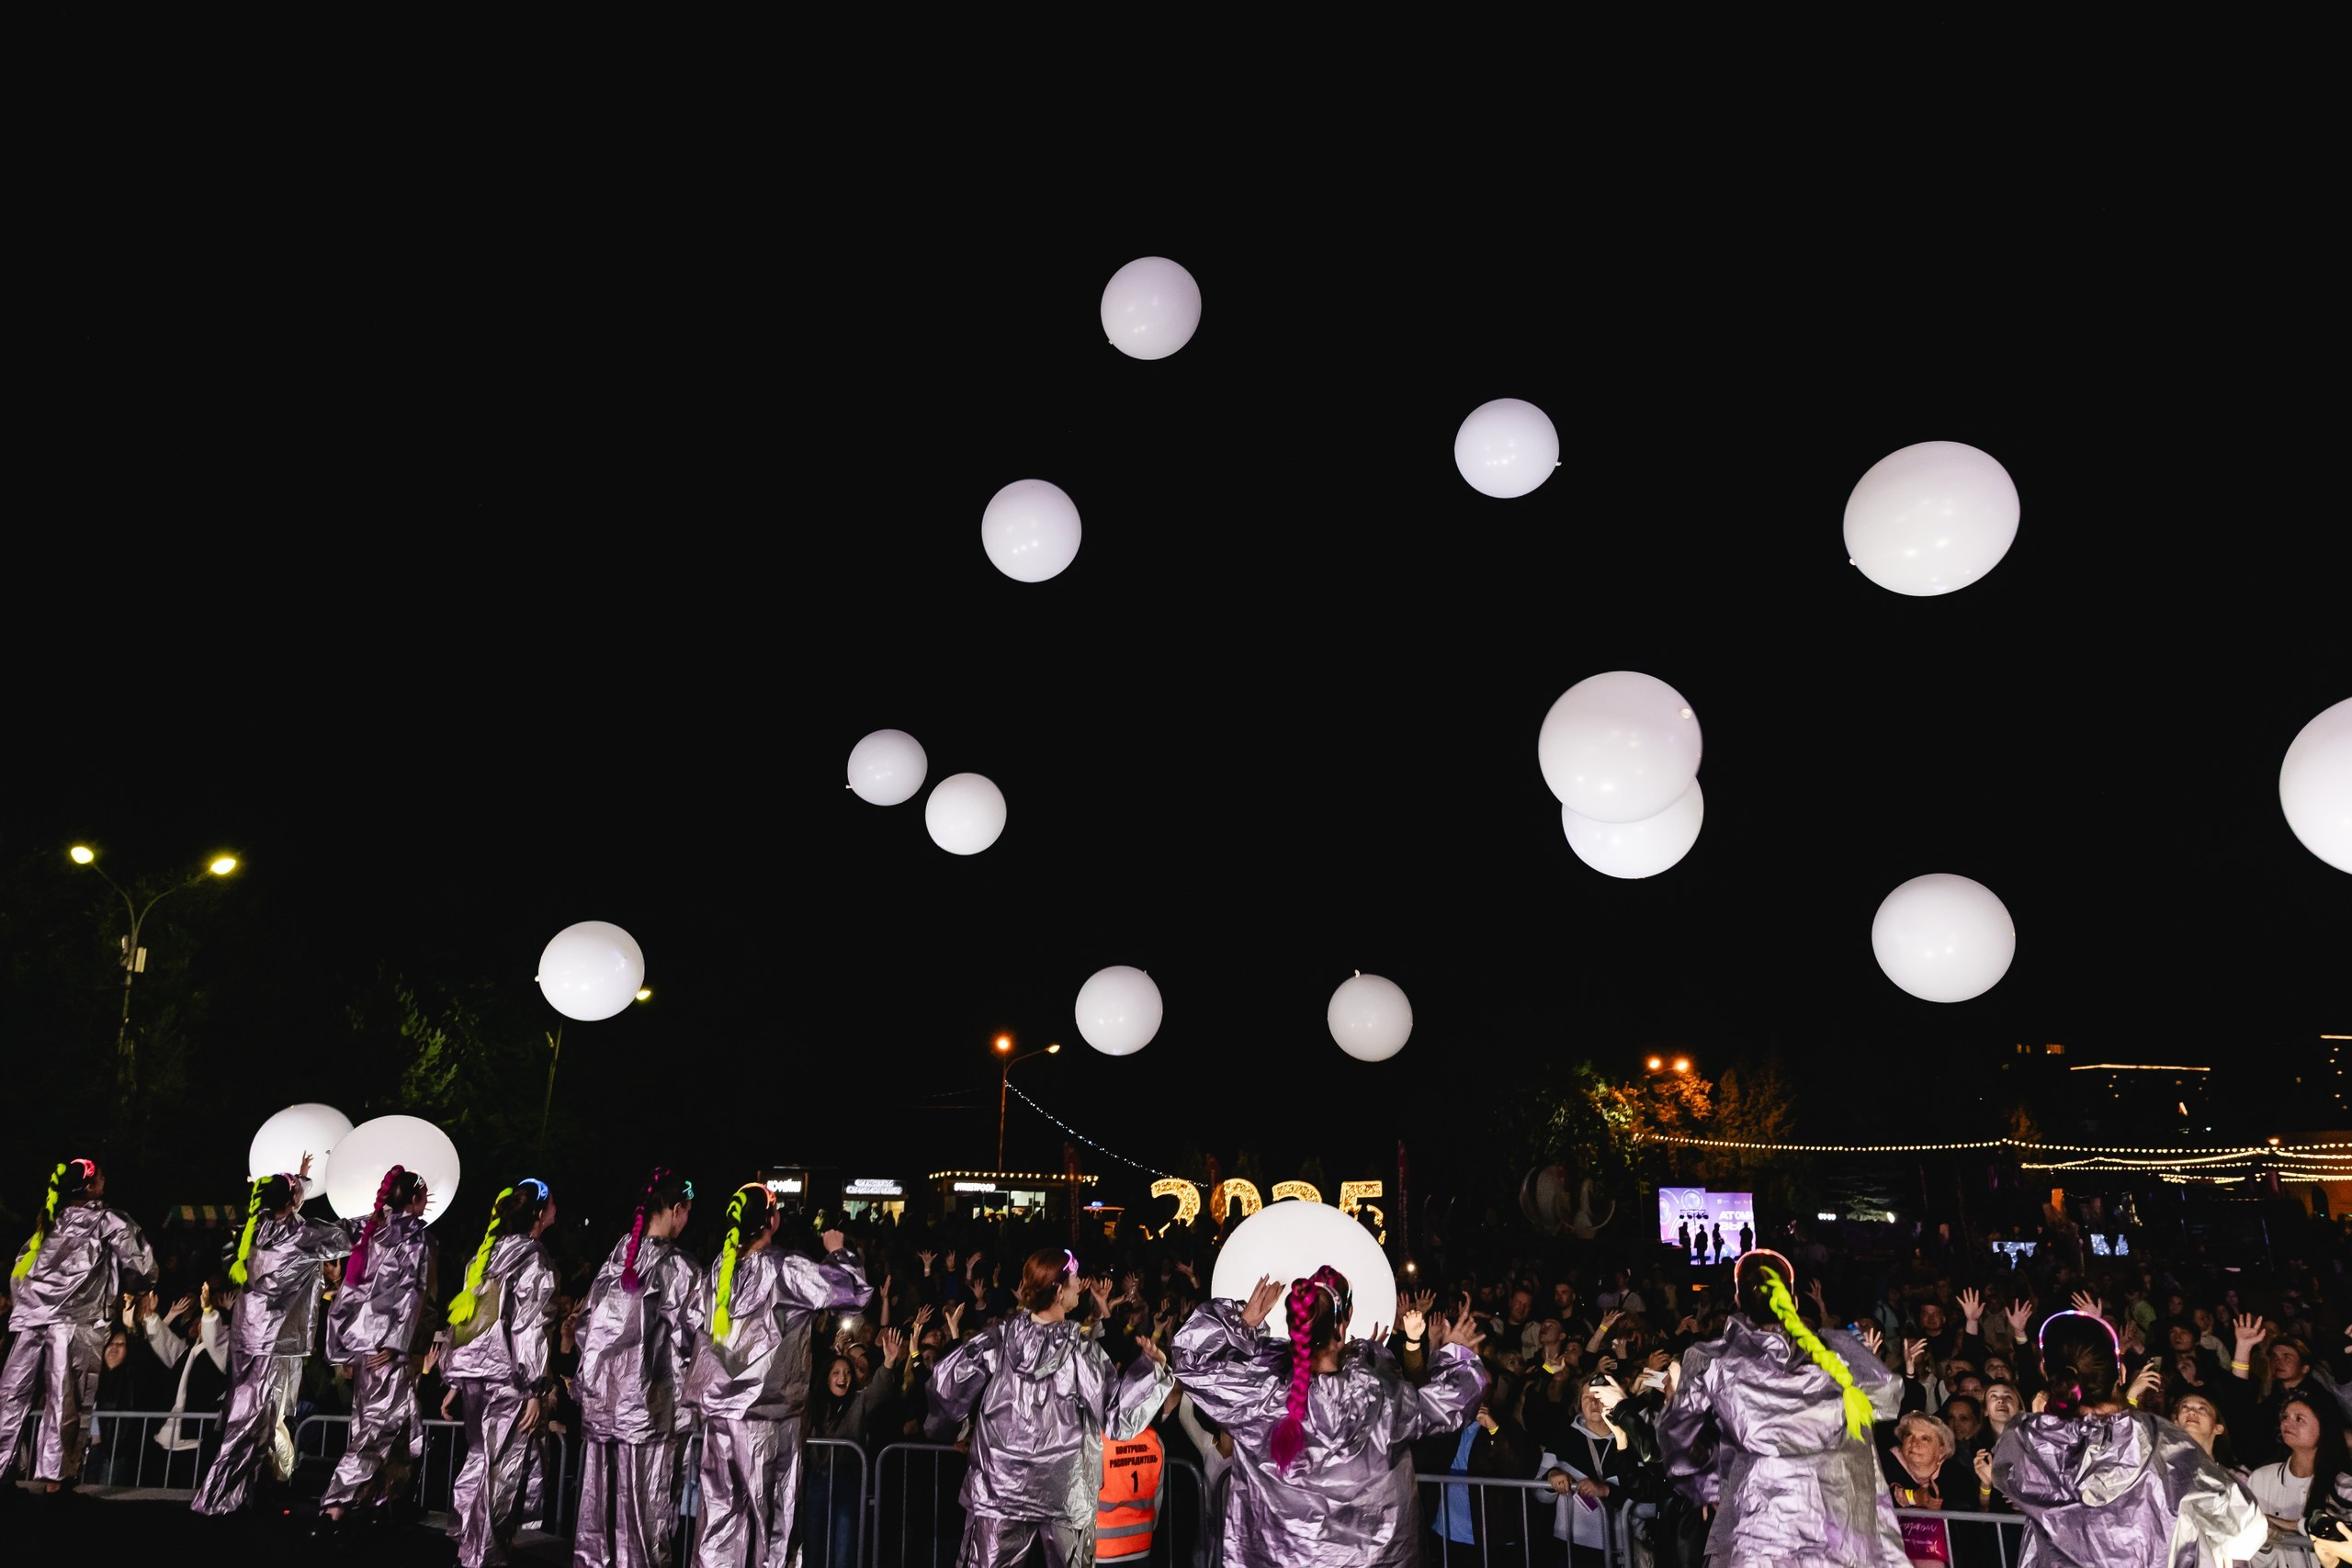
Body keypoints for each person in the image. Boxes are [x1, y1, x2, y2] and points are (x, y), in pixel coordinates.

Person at [1171, 1265, 1486, 1567]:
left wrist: (1242, 1321)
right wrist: (1457, 1355)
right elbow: (1449, 1404)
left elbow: (1190, 1360)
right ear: (1344, 1321)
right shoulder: (1378, 1399)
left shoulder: (1260, 1398)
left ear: (1295, 1324)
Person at [1657, 1250, 1908, 1567]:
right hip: (1836, 1519)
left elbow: (1678, 1437)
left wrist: (1706, 1484)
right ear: (1793, 1298)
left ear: (1737, 1299)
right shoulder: (1837, 1351)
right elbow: (1887, 1399)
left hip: (1763, 1519)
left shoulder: (1713, 1359)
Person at [927, 1247, 1174, 1567]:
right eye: (1074, 1280)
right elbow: (1116, 1416)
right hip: (1064, 1494)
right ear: (1058, 1290)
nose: (1079, 1285)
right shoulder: (1080, 1351)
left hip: (1000, 1488)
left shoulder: (998, 1340)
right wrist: (1152, 1372)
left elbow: (946, 1385)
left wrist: (948, 1430)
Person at [683, 1184, 871, 1568]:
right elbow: (851, 1291)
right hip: (772, 1425)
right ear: (772, 1220)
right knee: (773, 1529)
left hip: (722, 1422)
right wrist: (838, 1250)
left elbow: (688, 1333)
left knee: (719, 1528)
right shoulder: (784, 1269)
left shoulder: (717, 1271)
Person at [1987, 1309, 2263, 1566]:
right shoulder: (2159, 1439)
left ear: (2046, 1372)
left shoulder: (2026, 1441)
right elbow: (2246, 1527)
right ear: (2120, 1372)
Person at [191, 1161, 349, 1516]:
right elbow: (340, 1235)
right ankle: (218, 1498)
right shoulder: (301, 1235)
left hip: (248, 1340)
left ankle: (247, 1492)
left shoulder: (254, 1229)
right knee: (255, 1422)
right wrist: (378, 1214)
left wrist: (298, 1180)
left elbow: (286, 1209)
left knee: (255, 1418)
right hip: (271, 1344)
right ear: (291, 1200)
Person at [0, 1158, 153, 1495]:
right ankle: (57, 1480)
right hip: (74, 1322)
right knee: (65, 1398)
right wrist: (132, 1290)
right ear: (89, 1186)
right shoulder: (107, 1220)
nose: (104, 1179)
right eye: (99, 1176)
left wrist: (31, 1307)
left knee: (12, 1396)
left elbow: (19, 1272)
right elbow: (142, 1268)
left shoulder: (47, 1224)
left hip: (31, 1320)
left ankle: (2, 1469)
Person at [575, 1168, 700, 1568]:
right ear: (677, 1209)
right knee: (645, 1518)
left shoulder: (618, 1258)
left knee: (599, 1517)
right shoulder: (678, 1267)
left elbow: (585, 1326)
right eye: (687, 1212)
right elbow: (694, 1341)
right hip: (650, 1416)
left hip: (603, 1409)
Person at [444, 1179, 560, 1568]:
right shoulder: (533, 1260)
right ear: (539, 1215)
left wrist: (456, 1379)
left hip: (475, 1375)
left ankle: (468, 1542)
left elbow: (466, 1323)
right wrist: (534, 1388)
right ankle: (483, 1556)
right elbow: (529, 1325)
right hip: (509, 1378)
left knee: (479, 1458)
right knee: (503, 1469)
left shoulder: (483, 1257)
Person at [318, 1165, 434, 1529]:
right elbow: (412, 1292)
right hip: (385, 1349)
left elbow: (352, 1291)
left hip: (368, 1345)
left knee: (388, 1424)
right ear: (416, 1200)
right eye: (425, 1195)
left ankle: (381, 1500)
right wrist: (397, 1344)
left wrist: (349, 1345)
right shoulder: (413, 1236)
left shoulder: (370, 1227)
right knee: (379, 1426)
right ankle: (337, 1501)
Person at [2242, 1388, 2352, 1567]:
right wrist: (2264, 1542)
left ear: (2324, 1427)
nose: (2287, 1423)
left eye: (2299, 1419)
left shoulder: (2345, 1487)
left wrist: (2288, 1524)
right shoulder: (2261, 1478)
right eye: (2285, 1417)